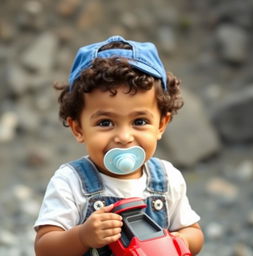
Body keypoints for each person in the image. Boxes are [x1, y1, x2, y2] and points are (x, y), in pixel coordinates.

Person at [34, 35, 204, 256]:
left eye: (139, 122)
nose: (124, 137)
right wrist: (82, 236)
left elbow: (194, 232)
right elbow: (45, 248)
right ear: (78, 129)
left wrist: (180, 240)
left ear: (161, 124)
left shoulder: (167, 178)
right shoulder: (70, 181)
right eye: (105, 123)